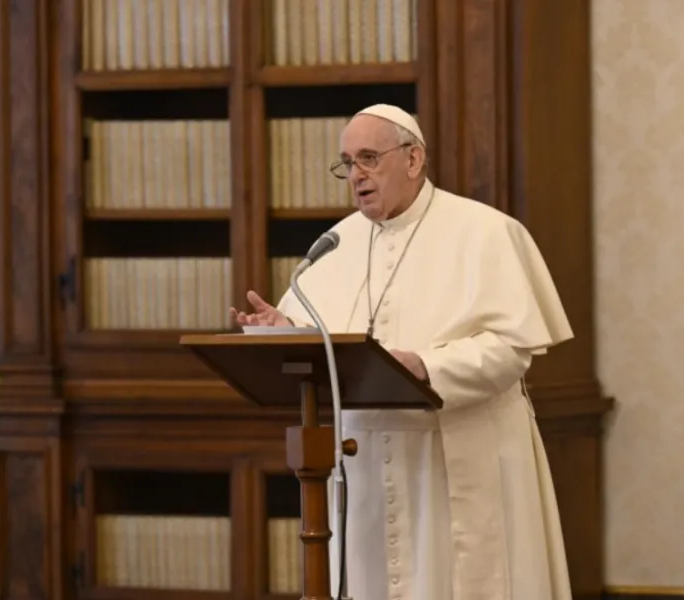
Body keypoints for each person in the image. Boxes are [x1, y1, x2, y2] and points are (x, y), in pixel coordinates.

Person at [229, 104, 574, 600]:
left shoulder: (486, 232)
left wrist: (425, 366)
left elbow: (512, 349)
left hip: (455, 456)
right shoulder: (337, 243)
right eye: (347, 163)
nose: (356, 175)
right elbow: (331, 347)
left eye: (369, 158)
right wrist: (287, 331)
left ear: (414, 159)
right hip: (365, 466)